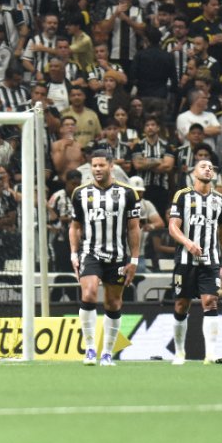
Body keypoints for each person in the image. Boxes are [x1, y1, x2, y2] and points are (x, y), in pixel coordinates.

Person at [69, 150, 141, 366]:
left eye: (101, 165)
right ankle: (90, 349)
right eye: (94, 166)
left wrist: (134, 260)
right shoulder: (80, 194)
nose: (97, 169)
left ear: (111, 166)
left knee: (112, 302)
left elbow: (134, 228)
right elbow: (75, 227)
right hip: (90, 252)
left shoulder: (128, 194)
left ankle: (107, 353)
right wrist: (74, 253)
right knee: (89, 294)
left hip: (117, 256)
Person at [167, 159, 222, 365]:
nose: (208, 169)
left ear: (214, 175)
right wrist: (188, 243)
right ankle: (179, 353)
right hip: (185, 260)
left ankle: (211, 354)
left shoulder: (221, 200)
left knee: (210, 301)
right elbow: (173, 227)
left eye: (211, 168)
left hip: (210, 261)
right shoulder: (183, 196)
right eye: (203, 166)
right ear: (193, 172)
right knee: (182, 304)